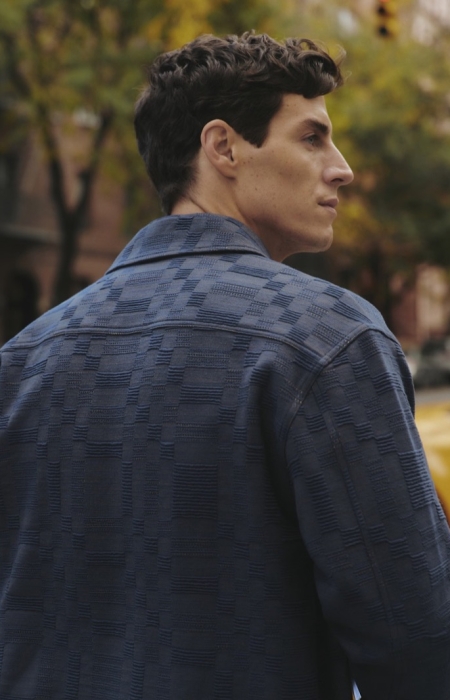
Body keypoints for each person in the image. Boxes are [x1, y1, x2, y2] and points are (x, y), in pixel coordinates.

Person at [0, 32, 449, 700]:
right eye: (312, 138)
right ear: (223, 147)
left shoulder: (22, 357)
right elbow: (416, 638)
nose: (343, 169)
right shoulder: (328, 337)